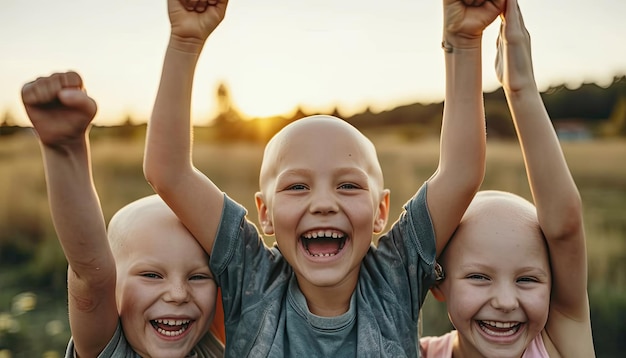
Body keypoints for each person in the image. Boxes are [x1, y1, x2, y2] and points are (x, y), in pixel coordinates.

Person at [144, 0, 502, 356]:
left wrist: (464, 40)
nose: (324, 204)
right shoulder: (251, 276)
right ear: (265, 212)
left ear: (380, 210)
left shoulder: (396, 276)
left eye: (348, 185)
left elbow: (461, 172)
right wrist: (185, 42)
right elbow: (169, 173)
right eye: (297, 187)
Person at [420, 0, 596, 357]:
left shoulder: (561, 345)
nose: (504, 301)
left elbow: (564, 228)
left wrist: (521, 89)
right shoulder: (415, 353)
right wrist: (460, 41)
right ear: (439, 283)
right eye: (478, 277)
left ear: (553, 288)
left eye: (528, 279)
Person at [21, 71, 225, 357]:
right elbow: (91, 273)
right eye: (152, 275)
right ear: (113, 288)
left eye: (198, 277)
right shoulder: (112, 351)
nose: (178, 294)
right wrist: (64, 148)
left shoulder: (219, 345)